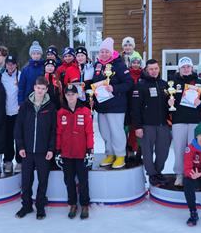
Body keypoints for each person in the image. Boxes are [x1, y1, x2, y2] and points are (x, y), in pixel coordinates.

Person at [14, 76, 57, 220]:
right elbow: (18, 127)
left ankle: (40, 206)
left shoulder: (50, 107)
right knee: (26, 181)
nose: (40, 91)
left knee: (42, 180)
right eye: (38, 88)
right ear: (34, 87)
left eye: (43, 89)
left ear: (46, 90)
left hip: (43, 151)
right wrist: (20, 146)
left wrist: (51, 149)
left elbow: (53, 130)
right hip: (26, 150)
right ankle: (26, 205)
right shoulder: (26, 105)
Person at [93, 37, 133, 169]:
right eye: (102, 51)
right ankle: (110, 154)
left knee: (116, 131)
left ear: (111, 52)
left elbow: (129, 83)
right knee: (104, 132)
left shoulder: (119, 64)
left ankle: (120, 155)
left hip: (116, 106)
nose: (104, 54)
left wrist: (114, 88)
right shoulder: (97, 65)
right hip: (102, 106)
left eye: (106, 51)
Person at [131, 59, 172, 187]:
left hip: (163, 125)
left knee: (163, 152)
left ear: (159, 69)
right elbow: (135, 108)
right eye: (151, 69)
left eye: (156, 68)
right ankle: (152, 174)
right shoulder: (140, 85)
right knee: (147, 152)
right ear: (146, 70)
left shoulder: (164, 85)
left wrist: (170, 103)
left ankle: (158, 171)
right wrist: (137, 127)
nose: (154, 71)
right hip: (147, 125)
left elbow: (168, 105)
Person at [56, 84, 94, 219]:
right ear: (65, 96)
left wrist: (90, 150)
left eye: (73, 94)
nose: (70, 97)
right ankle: (72, 204)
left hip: (81, 153)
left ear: (77, 95)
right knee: (69, 180)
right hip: (66, 153)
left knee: (83, 181)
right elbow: (59, 133)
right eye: (68, 94)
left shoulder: (85, 111)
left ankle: (84, 204)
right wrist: (58, 150)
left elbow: (89, 132)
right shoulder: (61, 113)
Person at [170, 57, 201, 186]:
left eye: (188, 67)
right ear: (179, 69)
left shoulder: (199, 83)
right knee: (179, 149)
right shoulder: (173, 83)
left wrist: (200, 102)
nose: (186, 69)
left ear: (192, 68)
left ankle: (194, 173)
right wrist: (168, 102)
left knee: (195, 149)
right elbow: (166, 102)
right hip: (178, 121)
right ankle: (179, 174)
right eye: (183, 67)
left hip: (195, 121)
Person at [2, 55, 22, 173]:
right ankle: (8, 161)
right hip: (5, 112)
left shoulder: (20, 75)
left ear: (16, 65)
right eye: (8, 64)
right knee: (7, 138)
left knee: (18, 138)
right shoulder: (2, 76)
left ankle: (19, 161)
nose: (10, 66)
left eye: (12, 64)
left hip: (17, 112)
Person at [126, 52, 143, 163]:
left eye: (138, 62)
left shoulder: (144, 75)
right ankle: (130, 151)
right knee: (130, 129)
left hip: (141, 106)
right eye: (134, 62)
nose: (136, 64)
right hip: (129, 105)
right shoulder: (127, 75)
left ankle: (140, 151)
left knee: (140, 130)